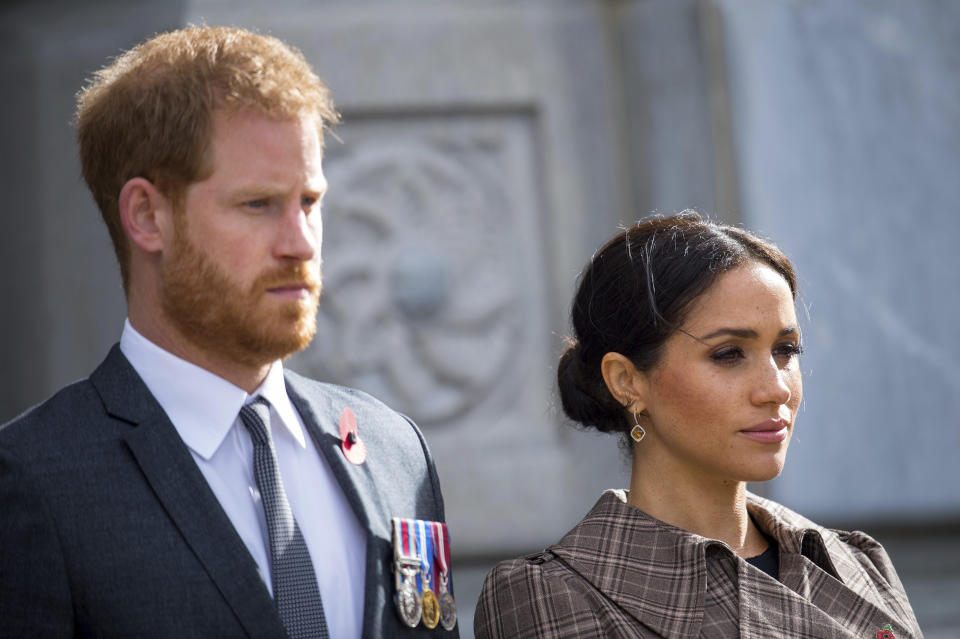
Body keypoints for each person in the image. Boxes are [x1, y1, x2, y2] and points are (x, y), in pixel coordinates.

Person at [0, 26, 457, 638]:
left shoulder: (396, 451)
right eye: (258, 205)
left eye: (310, 202)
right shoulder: (35, 482)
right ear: (147, 215)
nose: (301, 244)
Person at [475, 213, 923, 638]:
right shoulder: (556, 594)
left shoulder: (855, 562)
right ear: (627, 381)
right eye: (728, 354)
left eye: (786, 351)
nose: (776, 389)